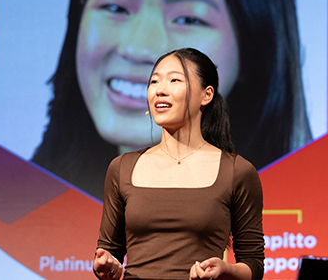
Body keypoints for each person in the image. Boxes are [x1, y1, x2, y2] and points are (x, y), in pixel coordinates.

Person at [31, 0, 311, 199]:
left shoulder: (301, 222)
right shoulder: (14, 207)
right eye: (116, 8)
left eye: (189, 19)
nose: (137, 49)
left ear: (255, 51)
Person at [93, 48, 264, 280]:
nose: (160, 90)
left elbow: (253, 264)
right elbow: (110, 252)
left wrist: (226, 271)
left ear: (207, 95)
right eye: (154, 82)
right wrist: (108, 267)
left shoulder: (237, 172)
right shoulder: (122, 168)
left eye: (174, 80)